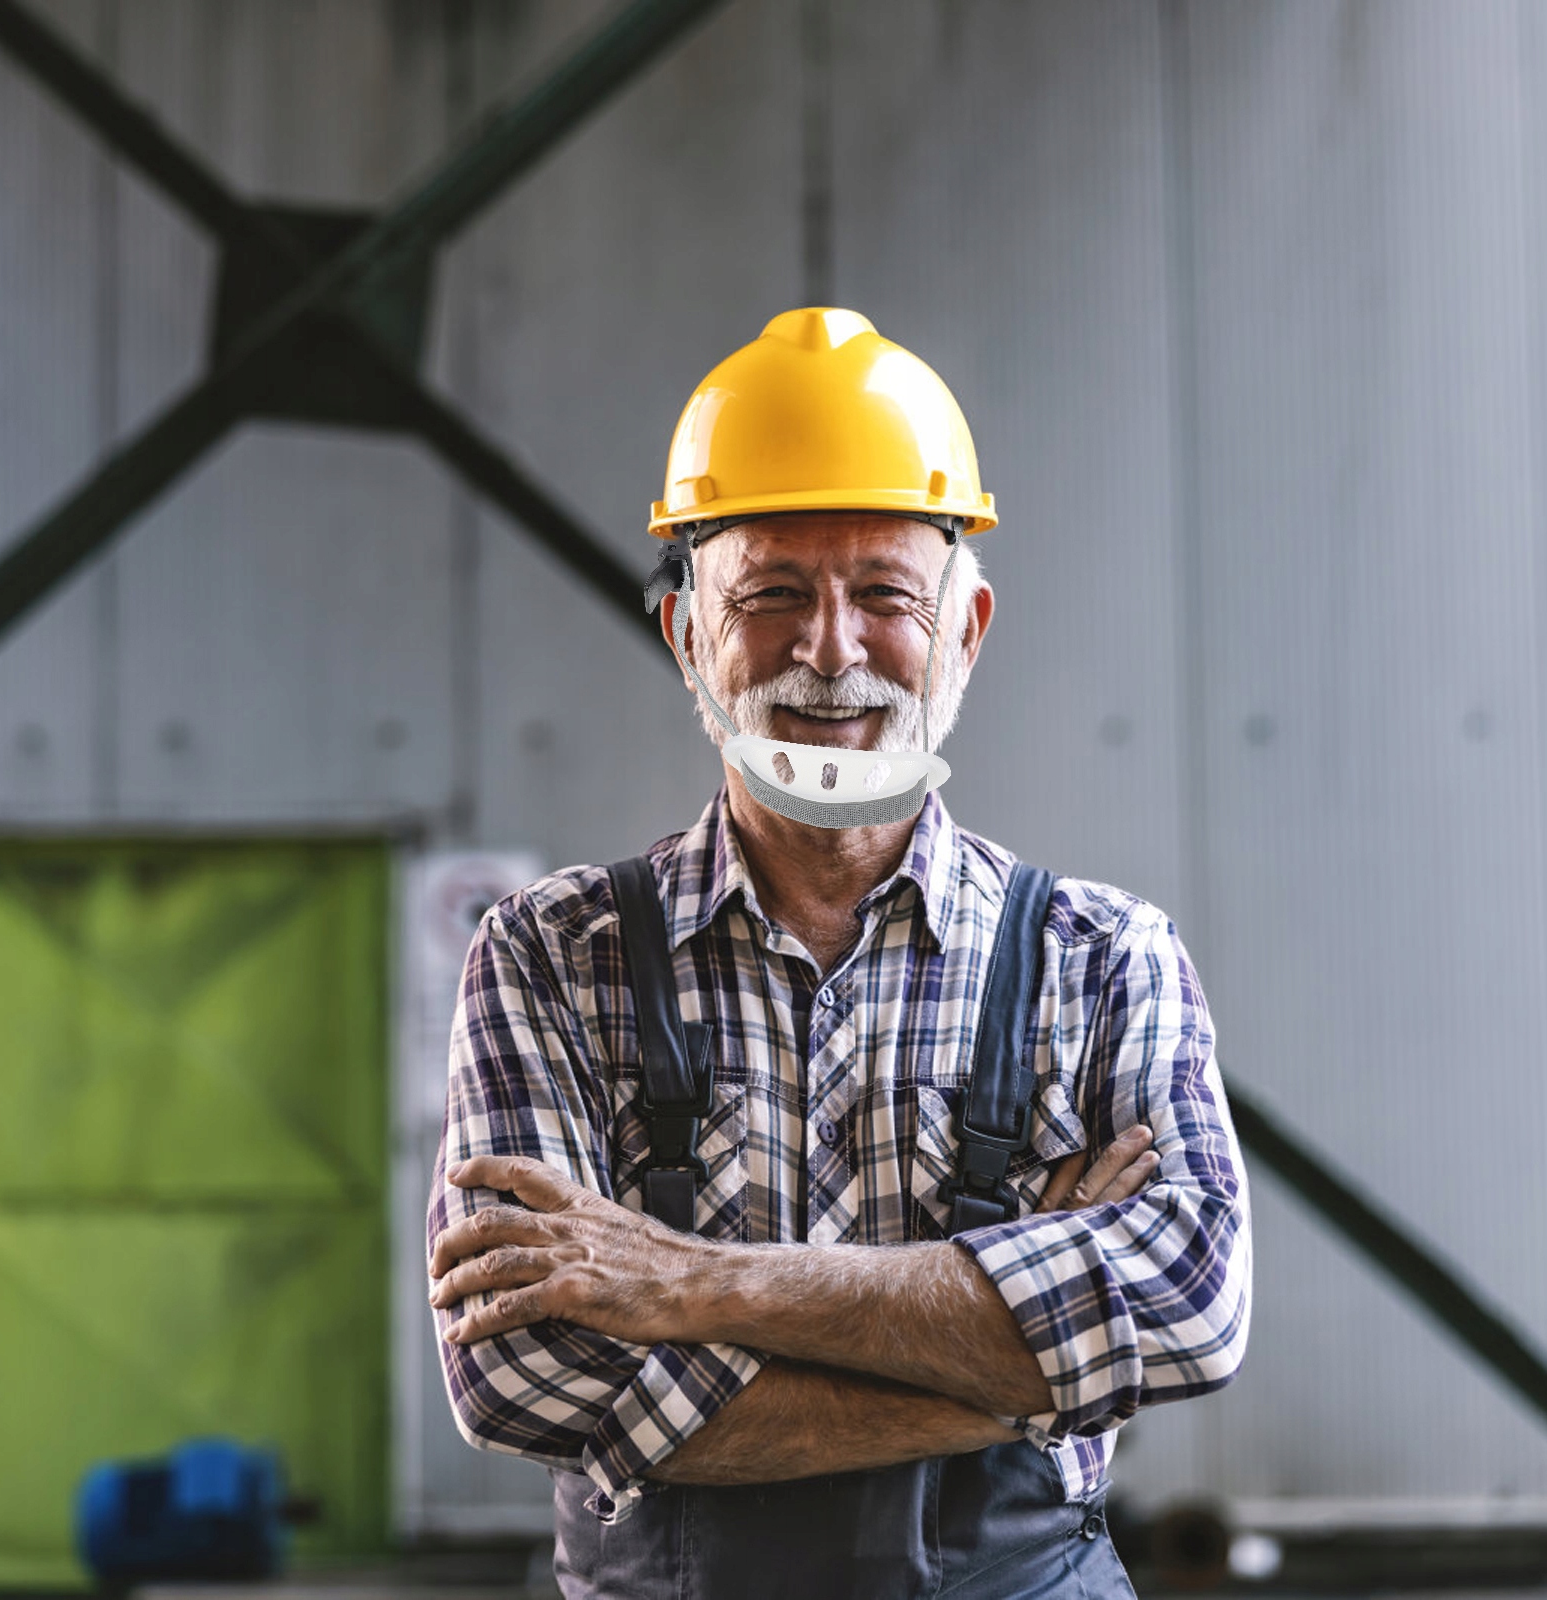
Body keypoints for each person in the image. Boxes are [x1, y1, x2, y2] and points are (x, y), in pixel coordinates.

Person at [427, 309, 1252, 1599]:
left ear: (966, 628)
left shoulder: (1104, 961)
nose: (829, 651)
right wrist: (1023, 1372)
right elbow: (518, 1375)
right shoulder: (549, 958)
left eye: (884, 594)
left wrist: (689, 1285)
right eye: (770, 594)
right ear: (689, 634)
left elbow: (1190, 1308)